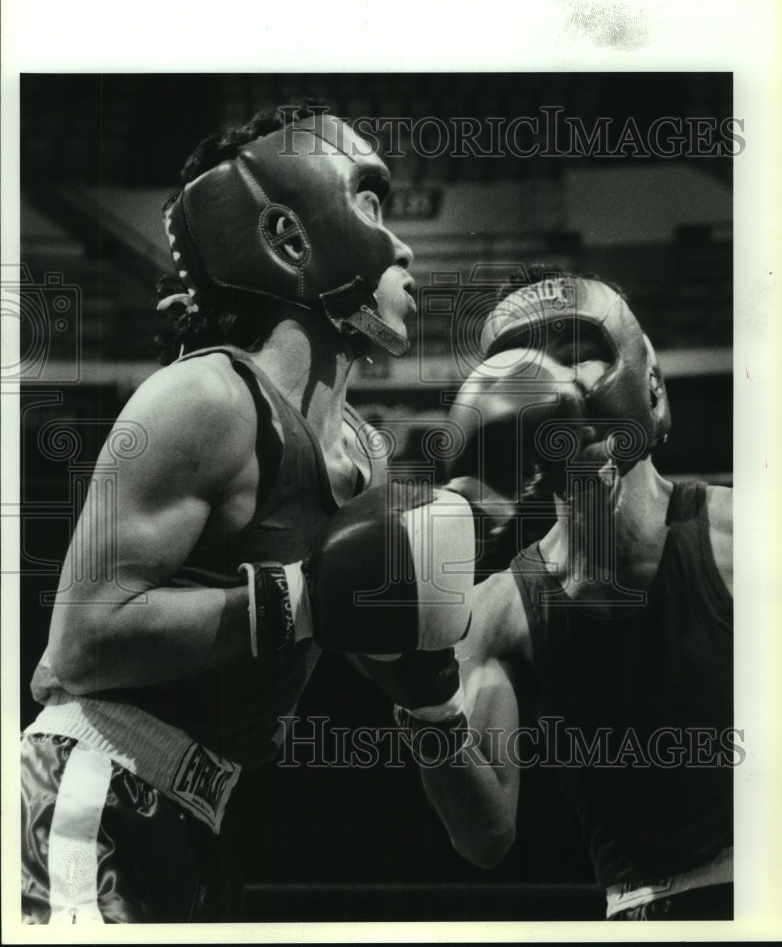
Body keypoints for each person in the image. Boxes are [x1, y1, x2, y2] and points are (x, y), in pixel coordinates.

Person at [19, 103, 461, 923]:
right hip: (91, 786)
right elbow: (77, 644)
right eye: (368, 203)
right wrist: (301, 598)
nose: (400, 244)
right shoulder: (205, 396)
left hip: (200, 816)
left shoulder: (363, 459)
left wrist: (421, 669)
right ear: (292, 239)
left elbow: (331, 617)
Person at [363, 265, 734, 921]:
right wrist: (422, 702)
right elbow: (483, 837)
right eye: (524, 365)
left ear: (646, 382)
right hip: (643, 910)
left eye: (578, 353)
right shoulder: (496, 611)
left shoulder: (747, 536)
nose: (554, 383)